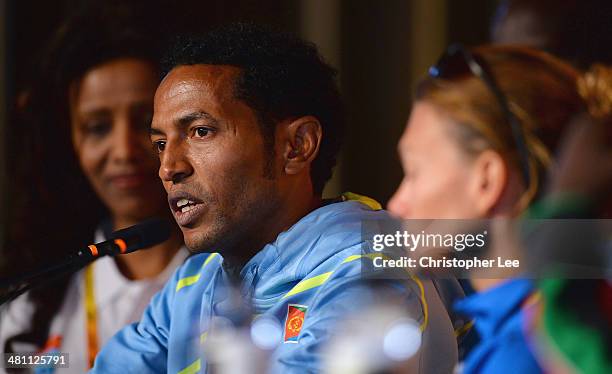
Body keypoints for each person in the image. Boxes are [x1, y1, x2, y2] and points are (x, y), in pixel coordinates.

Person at [91, 23, 458, 373]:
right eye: (160, 144)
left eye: (200, 132)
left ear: (296, 146)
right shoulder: (194, 281)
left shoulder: (369, 274)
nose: (168, 168)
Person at [0, 4, 186, 372]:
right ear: (69, 141)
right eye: (98, 127)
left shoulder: (237, 280)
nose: (124, 151)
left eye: (144, 122)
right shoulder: (31, 307)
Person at [387, 45, 586, 373]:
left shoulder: (521, 358)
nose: (396, 203)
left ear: (487, 181)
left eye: (414, 172)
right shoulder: (557, 330)